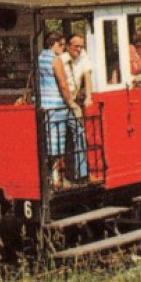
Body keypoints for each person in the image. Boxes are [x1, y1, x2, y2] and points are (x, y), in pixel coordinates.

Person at [37, 31, 75, 185]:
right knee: (60, 139)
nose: (63, 49)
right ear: (55, 44)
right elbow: (62, 83)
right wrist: (70, 102)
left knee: (47, 139)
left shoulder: (39, 57)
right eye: (62, 45)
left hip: (43, 104)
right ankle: (57, 176)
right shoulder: (55, 59)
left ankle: (50, 175)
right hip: (57, 104)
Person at [63, 34, 93, 180]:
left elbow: (87, 75)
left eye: (81, 46)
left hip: (73, 101)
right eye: (76, 46)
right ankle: (61, 175)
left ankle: (81, 174)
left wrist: (88, 96)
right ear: (68, 46)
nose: (79, 49)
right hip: (62, 102)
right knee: (61, 137)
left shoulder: (83, 56)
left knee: (79, 133)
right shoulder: (61, 59)